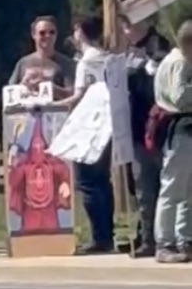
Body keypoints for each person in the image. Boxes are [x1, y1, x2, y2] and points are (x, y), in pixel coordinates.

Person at [60, 16, 114, 254]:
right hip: (107, 125)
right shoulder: (107, 57)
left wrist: (53, 103)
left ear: (81, 32)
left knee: (88, 183)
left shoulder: (86, 62)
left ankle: (99, 238)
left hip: (89, 127)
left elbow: (79, 96)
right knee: (103, 182)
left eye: (75, 29)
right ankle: (107, 234)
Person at [120, 15, 170, 258]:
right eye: (124, 25)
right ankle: (146, 236)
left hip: (158, 131)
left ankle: (162, 238)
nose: (126, 30)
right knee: (142, 190)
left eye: (130, 25)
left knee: (161, 188)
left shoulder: (160, 48)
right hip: (136, 131)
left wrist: (149, 68)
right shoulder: (129, 52)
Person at [151, 20, 192, 263]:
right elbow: (179, 97)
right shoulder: (179, 62)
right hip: (181, 129)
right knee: (173, 188)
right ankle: (164, 242)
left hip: (185, 130)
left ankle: (184, 238)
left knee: (188, 189)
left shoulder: (177, 60)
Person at [7, 118, 72, 233]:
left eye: (40, 145)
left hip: (49, 210)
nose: (38, 148)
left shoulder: (52, 164)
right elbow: (14, 181)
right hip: (31, 210)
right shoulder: (25, 166)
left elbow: (63, 171)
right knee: (28, 233)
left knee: (53, 233)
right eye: (35, 146)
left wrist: (65, 182)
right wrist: (11, 163)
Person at [9, 16, 75, 99]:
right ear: (34, 35)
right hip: (27, 110)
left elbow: (73, 94)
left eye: (52, 32)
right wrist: (23, 86)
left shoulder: (66, 63)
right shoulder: (23, 63)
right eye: (42, 33)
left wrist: (47, 86)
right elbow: (10, 92)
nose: (47, 36)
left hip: (56, 110)